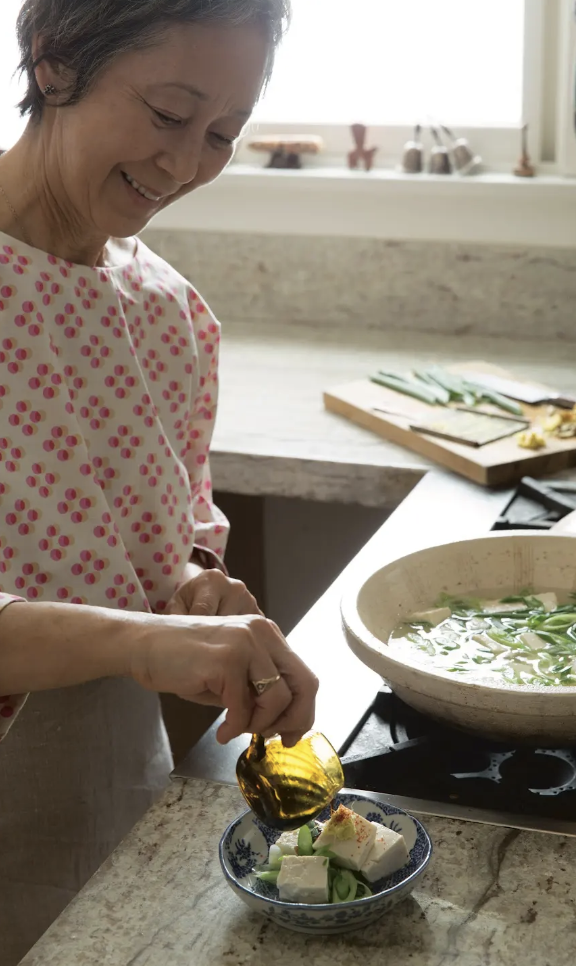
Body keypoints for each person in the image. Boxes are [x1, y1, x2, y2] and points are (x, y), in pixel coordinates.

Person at [0, 1, 317, 962]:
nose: (185, 166)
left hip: (108, 785)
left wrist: (190, 588)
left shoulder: (172, 315)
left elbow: (164, 530)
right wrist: (145, 640)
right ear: (53, 65)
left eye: (222, 133)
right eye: (169, 114)